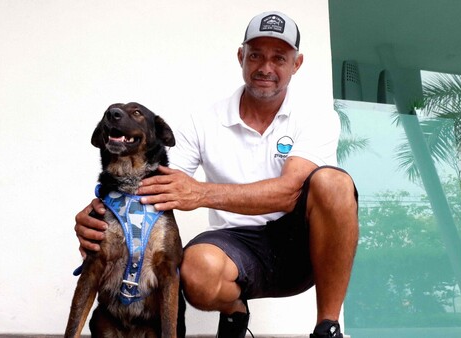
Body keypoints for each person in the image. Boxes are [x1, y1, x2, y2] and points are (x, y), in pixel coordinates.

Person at [75, 11, 358, 338]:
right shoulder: (202, 121)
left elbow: (289, 191)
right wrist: (101, 216)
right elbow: (153, 184)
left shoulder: (316, 116)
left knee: (334, 183)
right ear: (241, 57)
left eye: (279, 58)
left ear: (297, 64)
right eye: (256, 55)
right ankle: (235, 311)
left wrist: (201, 193)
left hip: (302, 247)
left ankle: (327, 327)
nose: (266, 67)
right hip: (233, 245)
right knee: (195, 268)